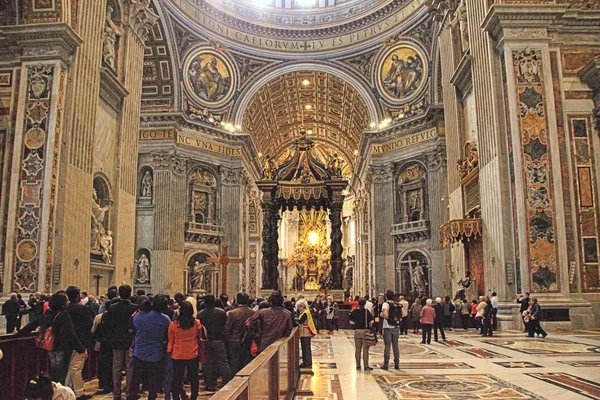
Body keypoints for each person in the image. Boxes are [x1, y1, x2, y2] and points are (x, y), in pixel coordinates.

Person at [19, 292, 88, 385]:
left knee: (54, 372)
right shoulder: (63, 315)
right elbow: (71, 333)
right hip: (62, 347)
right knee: (60, 376)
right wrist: (81, 349)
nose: (68, 302)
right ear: (62, 303)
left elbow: (33, 324)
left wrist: (20, 333)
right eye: (66, 300)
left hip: (50, 347)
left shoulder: (48, 312)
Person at [130, 294, 171, 400]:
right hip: (155, 353)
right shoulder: (165, 319)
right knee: (153, 378)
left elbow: (134, 329)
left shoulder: (139, 316)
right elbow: (167, 335)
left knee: (136, 376)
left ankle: (132, 396)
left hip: (139, 351)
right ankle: (152, 397)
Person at [102, 284, 138, 400]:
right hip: (130, 340)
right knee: (130, 367)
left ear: (119, 293)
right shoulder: (134, 307)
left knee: (116, 367)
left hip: (116, 340)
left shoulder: (112, 307)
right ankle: (129, 393)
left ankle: (116, 393)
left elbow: (109, 324)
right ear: (130, 293)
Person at [168, 301, 202, 400]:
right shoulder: (196, 323)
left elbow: (171, 340)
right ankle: (194, 396)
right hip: (192, 352)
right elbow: (199, 337)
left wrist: (169, 351)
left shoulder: (173, 324)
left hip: (177, 353)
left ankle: (175, 397)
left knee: (177, 378)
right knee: (193, 378)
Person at [197, 294, 231, 392]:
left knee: (208, 363)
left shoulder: (201, 314)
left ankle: (210, 383)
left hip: (206, 340)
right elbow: (225, 325)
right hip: (219, 339)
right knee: (222, 361)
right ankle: (227, 381)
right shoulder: (221, 312)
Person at [65, 286, 93, 400]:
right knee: (76, 368)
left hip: (66, 342)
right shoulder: (82, 309)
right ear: (77, 296)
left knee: (68, 368)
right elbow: (89, 324)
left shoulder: (65, 309)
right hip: (80, 342)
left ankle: (67, 390)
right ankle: (79, 393)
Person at [225, 292, 255, 375]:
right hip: (248, 341)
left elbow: (227, 329)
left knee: (234, 363)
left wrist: (228, 340)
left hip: (234, 341)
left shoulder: (233, 313)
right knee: (246, 362)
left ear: (237, 300)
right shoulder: (253, 312)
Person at [349, 298, 374, 371]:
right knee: (365, 350)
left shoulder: (354, 312)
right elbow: (371, 321)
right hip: (365, 331)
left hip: (357, 331)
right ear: (365, 303)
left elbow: (351, 322)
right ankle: (366, 366)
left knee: (357, 349)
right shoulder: (366, 312)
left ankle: (358, 365)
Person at [380, 290, 400, 370]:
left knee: (387, 346)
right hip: (396, 326)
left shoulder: (386, 304)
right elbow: (404, 314)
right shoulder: (397, 304)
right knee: (396, 346)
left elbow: (385, 314)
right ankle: (397, 364)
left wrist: (382, 314)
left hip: (387, 327)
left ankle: (386, 364)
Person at [296, 299, 316, 368]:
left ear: (303, 306)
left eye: (300, 307)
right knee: (304, 347)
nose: (298, 308)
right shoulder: (304, 312)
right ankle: (306, 361)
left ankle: (307, 362)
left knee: (306, 347)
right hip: (304, 332)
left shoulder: (305, 313)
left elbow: (301, 321)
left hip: (305, 332)